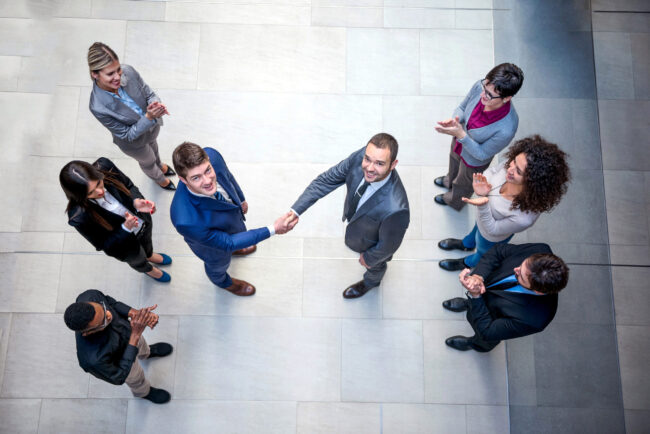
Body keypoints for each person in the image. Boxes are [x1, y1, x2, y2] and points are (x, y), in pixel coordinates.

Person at [289, 133, 409, 299]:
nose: (370, 168)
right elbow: (326, 180)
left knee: (376, 266)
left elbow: (388, 246)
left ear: (393, 164)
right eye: (368, 159)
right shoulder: (361, 157)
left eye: (380, 163)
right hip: (359, 224)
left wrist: (368, 258)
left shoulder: (397, 209)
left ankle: (371, 282)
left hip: (370, 243)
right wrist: (295, 211)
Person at [170, 142, 296, 296]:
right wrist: (274, 229)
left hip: (230, 224)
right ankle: (224, 283)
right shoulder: (185, 220)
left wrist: (241, 200)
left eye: (207, 170)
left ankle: (238, 248)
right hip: (213, 247)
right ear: (183, 180)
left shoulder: (212, 155)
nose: (208, 181)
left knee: (238, 239)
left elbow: (228, 177)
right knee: (218, 266)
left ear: (208, 160)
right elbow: (227, 243)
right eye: (196, 178)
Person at [438, 135, 570, 271]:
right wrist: (485, 182)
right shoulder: (515, 164)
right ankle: (467, 243)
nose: (510, 168)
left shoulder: (524, 217)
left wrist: (483, 203)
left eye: (518, 171)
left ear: (533, 181)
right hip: (482, 220)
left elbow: (493, 229)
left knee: (482, 253)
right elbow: (492, 171)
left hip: (490, 238)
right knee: (475, 231)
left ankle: (467, 263)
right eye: (513, 161)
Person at [60, 158, 172, 282]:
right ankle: (148, 270)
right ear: (79, 196)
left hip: (142, 222)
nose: (100, 191)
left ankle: (149, 255)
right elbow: (104, 245)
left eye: (98, 183)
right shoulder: (79, 217)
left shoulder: (104, 166)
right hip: (125, 246)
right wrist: (125, 229)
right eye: (91, 192)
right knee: (137, 260)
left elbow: (129, 185)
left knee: (147, 242)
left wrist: (135, 201)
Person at [442, 243, 569, 352]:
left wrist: (476, 296)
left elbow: (487, 332)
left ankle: (474, 344)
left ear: (538, 292)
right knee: (475, 303)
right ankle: (468, 304)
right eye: (522, 265)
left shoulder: (535, 320)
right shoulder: (540, 249)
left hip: (490, 318)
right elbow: (498, 251)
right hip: (487, 286)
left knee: (483, 340)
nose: (516, 269)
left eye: (521, 277)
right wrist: (478, 277)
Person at [434, 63, 523, 210]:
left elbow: (482, 154)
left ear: (507, 98)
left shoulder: (507, 128)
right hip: (458, 139)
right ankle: (449, 180)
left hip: (473, 160)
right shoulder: (480, 86)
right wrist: (455, 120)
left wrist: (461, 135)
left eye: (489, 94)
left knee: (463, 183)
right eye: (484, 88)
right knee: (453, 161)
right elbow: (462, 107)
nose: (483, 95)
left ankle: (453, 200)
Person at [87, 42, 175, 191]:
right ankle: (159, 178)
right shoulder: (97, 106)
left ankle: (160, 165)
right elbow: (127, 135)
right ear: (95, 74)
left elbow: (149, 93)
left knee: (154, 147)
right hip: (134, 143)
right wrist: (148, 117)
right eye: (110, 74)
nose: (117, 77)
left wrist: (155, 104)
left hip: (152, 127)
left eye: (118, 69)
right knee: (148, 161)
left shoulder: (128, 71)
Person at [64, 289, 173, 403]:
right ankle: (144, 392)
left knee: (141, 344)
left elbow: (112, 304)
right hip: (124, 361)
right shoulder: (93, 361)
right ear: (87, 332)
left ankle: (147, 353)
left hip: (129, 332)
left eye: (104, 309)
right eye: (104, 320)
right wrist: (135, 335)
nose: (109, 314)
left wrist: (135, 313)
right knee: (136, 378)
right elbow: (119, 377)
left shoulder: (89, 295)